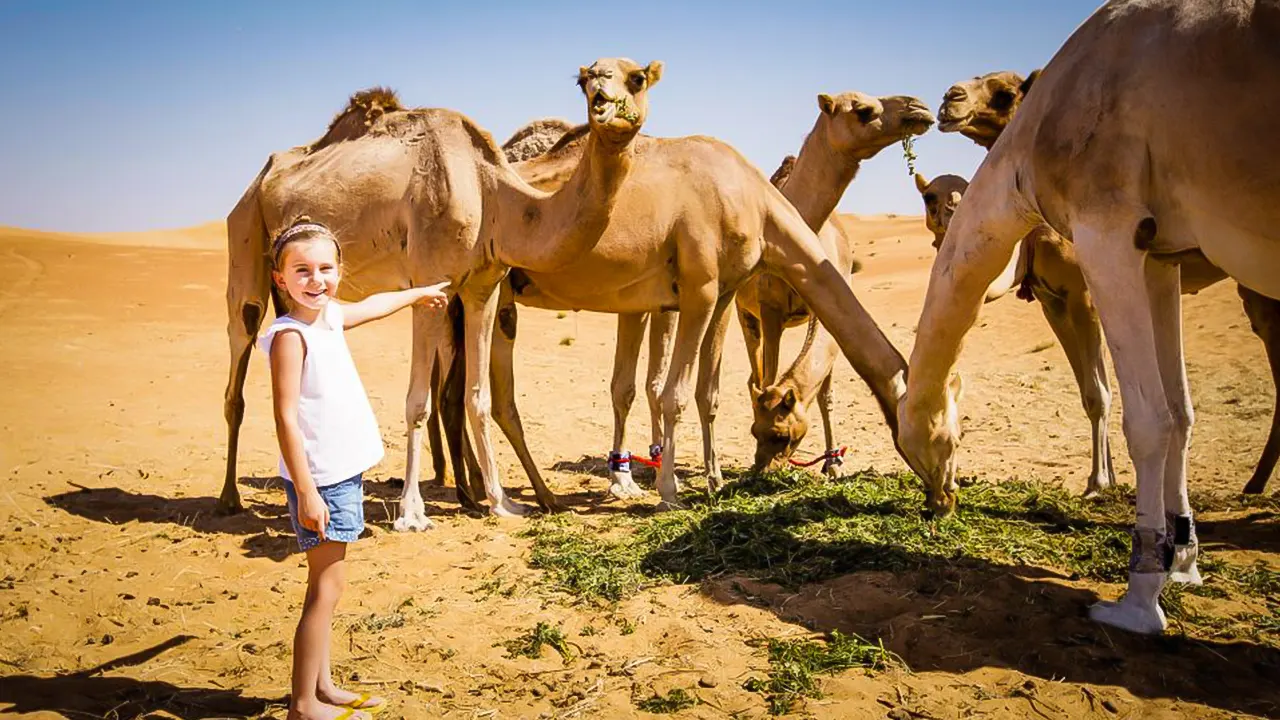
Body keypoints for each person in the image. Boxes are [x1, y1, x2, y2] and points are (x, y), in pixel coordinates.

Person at [259, 218, 449, 720]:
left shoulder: (329, 319)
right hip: (319, 479)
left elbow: (372, 306)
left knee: (327, 584)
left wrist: (417, 294)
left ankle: (322, 686)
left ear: (340, 271)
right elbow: (284, 416)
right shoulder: (290, 336)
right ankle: (303, 704)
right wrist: (305, 491)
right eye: (302, 270)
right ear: (280, 279)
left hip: (341, 472)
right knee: (327, 588)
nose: (315, 279)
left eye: (325, 268)